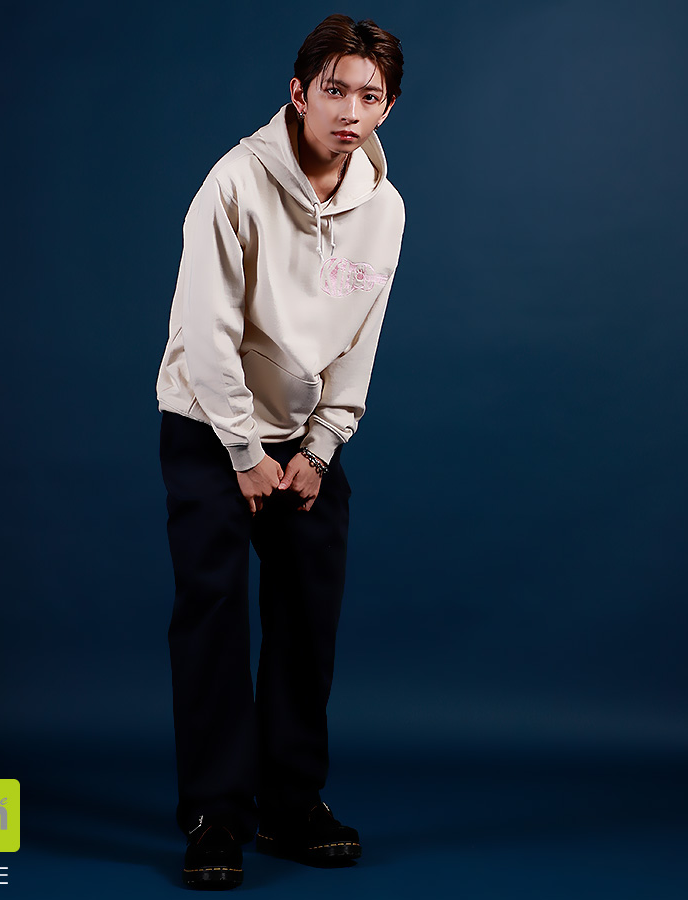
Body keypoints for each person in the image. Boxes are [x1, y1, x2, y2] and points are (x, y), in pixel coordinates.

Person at [155, 13, 405, 890]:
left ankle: (292, 802)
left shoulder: (384, 208)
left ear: (387, 108)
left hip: (304, 440)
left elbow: (359, 336)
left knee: (307, 614)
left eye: (369, 95)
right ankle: (215, 812)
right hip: (208, 425)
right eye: (334, 90)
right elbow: (207, 327)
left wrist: (323, 443)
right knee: (215, 611)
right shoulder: (234, 182)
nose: (350, 110)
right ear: (299, 93)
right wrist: (241, 449)